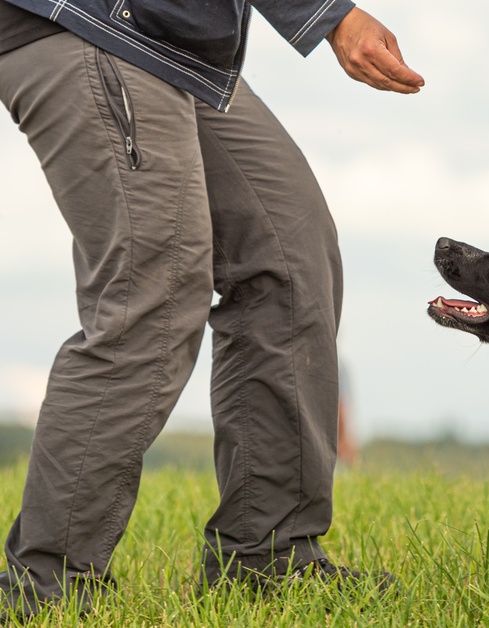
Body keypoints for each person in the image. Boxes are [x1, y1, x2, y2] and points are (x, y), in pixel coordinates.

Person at [0, 0, 423, 617]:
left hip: (177, 44)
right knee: (155, 288)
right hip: (90, 19)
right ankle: (43, 589)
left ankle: (267, 558)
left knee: (289, 253)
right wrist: (328, 14)